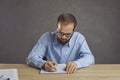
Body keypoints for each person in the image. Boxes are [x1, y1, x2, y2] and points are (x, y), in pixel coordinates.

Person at [26, 13, 95, 74]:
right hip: (50, 76)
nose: (64, 37)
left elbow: (90, 58)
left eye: (68, 34)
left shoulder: (79, 38)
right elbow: (31, 57)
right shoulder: (46, 37)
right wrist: (43, 64)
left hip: (72, 76)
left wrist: (77, 64)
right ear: (56, 27)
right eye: (60, 33)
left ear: (74, 30)